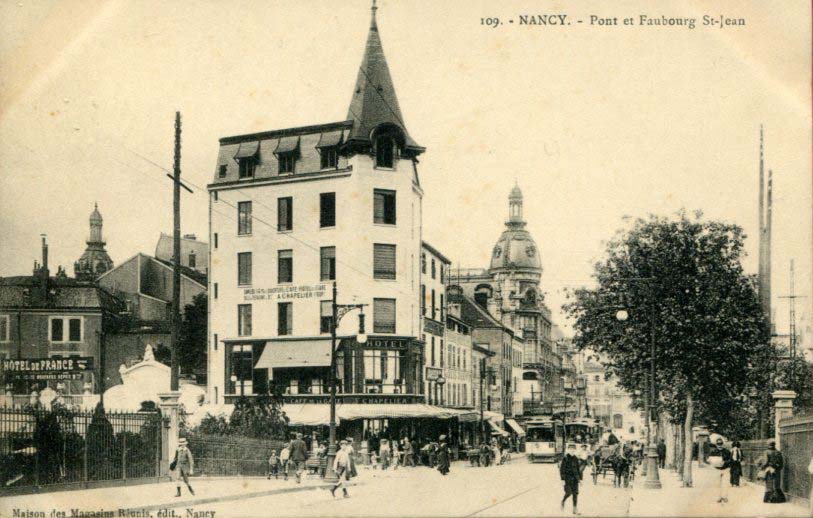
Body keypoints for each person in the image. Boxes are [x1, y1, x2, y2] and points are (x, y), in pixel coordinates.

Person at [707, 437, 732, 504]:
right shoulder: (713, 452)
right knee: (717, 484)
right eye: (718, 444)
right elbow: (710, 459)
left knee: (725, 483)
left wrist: (725, 462)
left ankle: (724, 497)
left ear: (722, 444)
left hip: (725, 469)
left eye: (720, 444)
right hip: (716, 469)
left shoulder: (727, 451)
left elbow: (730, 460)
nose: (719, 445)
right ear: (716, 444)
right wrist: (710, 461)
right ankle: (718, 497)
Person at [560, 444, 582, 515]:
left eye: (573, 449)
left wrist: (580, 479)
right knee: (569, 493)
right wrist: (562, 480)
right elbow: (562, 469)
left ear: (574, 450)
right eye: (570, 448)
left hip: (575, 479)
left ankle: (575, 509)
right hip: (567, 479)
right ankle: (563, 501)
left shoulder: (575, 458)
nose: (572, 450)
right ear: (568, 449)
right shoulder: (565, 458)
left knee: (575, 494)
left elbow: (578, 470)